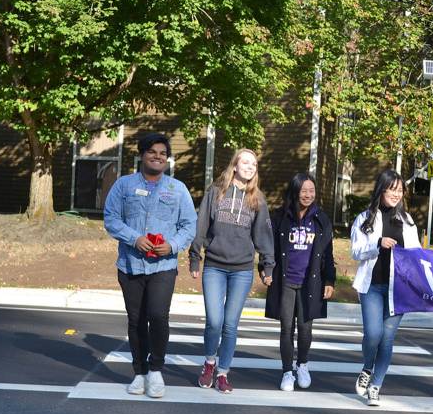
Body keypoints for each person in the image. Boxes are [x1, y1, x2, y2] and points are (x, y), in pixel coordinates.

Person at [103, 133, 197, 398]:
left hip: (163, 266)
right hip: (130, 265)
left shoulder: (177, 189)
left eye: (163, 153)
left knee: (157, 316)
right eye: (152, 152)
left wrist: (173, 245)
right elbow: (111, 218)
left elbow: (189, 224)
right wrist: (134, 239)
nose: (158, 157)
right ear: (142, 155)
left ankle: (156, 370)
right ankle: (140, 372)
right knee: (136, 320)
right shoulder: (123, 186)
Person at [189, 148, 275, 393]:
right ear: (235, 166)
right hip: (214, 266)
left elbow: (263, 235)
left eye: (253, 164)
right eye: (245, 162)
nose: (249, 167)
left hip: (242, 270)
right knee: (214, 321)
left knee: (230, 325)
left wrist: (267, 266)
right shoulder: (216, 192)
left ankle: (223, 373)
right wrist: (195, 257)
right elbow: (201, 225)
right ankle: (209, 363)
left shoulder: (257, 199)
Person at [350, 169, 421, 407]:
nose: (396, 194)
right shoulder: (365, 218)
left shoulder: (407, 221)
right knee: (373, 334)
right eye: (392, 189)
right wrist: (377, 244)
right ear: (381, 190)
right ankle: (367, 367)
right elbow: (355, 251)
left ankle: (376, 386)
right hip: (371, 286)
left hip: (398, 290)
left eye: (400, 190)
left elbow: (416, 255)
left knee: (387, 338)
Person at [265, 172, 336, 391]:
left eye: (311, 191)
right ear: (295, 191)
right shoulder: (280, 217)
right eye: (303, 191)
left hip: (310, 283)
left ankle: (302, 365)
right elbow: (270, 248)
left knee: (305, 329)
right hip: (285, 281)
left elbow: (328, 254)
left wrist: (329, 280)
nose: (308, 195)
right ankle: (287, 372)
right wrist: (265, 269)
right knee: (286, 328)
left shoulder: (321, 219)